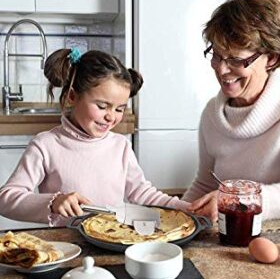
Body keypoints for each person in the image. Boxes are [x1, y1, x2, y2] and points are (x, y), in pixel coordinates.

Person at [0, 48, 189, 227]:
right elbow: (6, 199)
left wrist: (187, 208)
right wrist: (53, 202)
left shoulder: (120, 146)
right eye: (101, 106)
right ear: (73, 96)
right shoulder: (46, 145)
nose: (110, 116)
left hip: (112, 239)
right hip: (68, 246)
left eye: (119, 109)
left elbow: (142, 194)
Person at [182, 0, 280, 222]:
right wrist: (175, 219)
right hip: (230, 237)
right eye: (216, 55)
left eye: (236, 59)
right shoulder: (212, 114)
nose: (221, 70)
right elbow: (205, 184)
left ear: (272, 58)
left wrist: (235, 199)